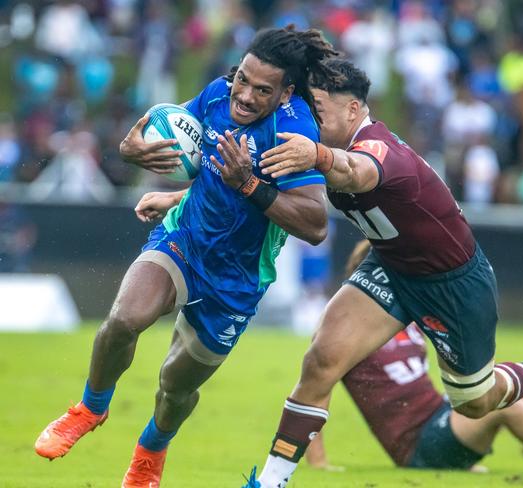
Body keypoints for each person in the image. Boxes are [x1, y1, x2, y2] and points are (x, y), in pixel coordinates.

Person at [242, 59, 523, 488]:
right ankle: (270, 481)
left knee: (475, 401)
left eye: (318, 109)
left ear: (352, 110)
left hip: (452, 283)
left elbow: (354, 170)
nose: (310, 118)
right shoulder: (321, 143)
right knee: (323, 357)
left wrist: (320, 155)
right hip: (391, 266)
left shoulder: (379, 150)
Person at [34, 26, 339, 488]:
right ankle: (90, 408)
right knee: (123, 320)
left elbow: (314, 224)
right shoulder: (218, 94)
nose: (245, 95)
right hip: (184, 240)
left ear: (285, 93)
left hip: (237, 280)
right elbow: (187, 150)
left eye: (262, 89)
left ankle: (150, 451)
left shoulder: (292, 132)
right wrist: (133, 153)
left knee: (176, 387)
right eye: (243, 80)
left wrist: (249, 185)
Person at [304, 240, 523, 476]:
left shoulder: (405, 317)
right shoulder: (344, 332)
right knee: (507, 405)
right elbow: (316, 389)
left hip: (444, 421)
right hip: (418, 447)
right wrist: (318, 463)